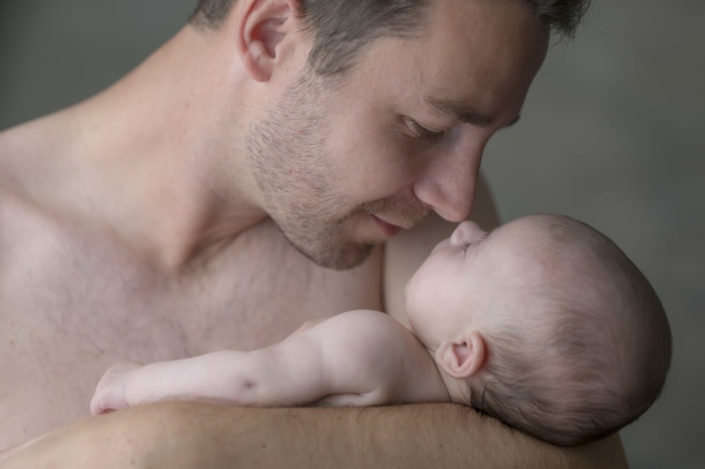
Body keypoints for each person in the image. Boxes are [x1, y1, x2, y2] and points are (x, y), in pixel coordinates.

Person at [0, 0, 630, 467]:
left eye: (483, 139)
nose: (459, 199)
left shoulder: (414, 230)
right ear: (271, 35)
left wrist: (175, 447)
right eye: (425, 127)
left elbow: (581, 460)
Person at [90, 215, 672, 446]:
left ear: (464, 351)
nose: (465, 224)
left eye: (475, 250)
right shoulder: (443, 413)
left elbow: (250, 379)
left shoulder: (374, 345)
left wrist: (136, 385)